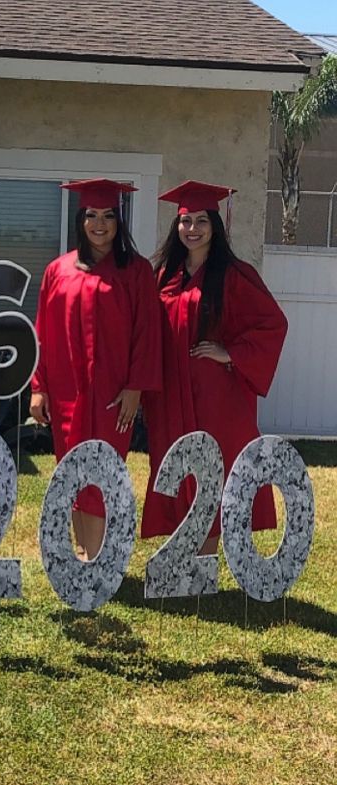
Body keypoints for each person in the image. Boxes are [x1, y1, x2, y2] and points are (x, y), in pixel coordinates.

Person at [140, 181, 288, 550]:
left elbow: (272, 323)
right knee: (172, 466)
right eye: (186, 221)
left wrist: (231, 353)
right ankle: (180, 550)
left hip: (217, 398)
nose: (193, 229)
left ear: (215, 226)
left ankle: (204, 557)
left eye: (201, 221)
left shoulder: (234, 274)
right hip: (170, 397)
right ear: (176, 227)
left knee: (214, 468)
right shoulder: (163, 276)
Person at [29, 179, 163, 560]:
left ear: (119, 221)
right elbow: (43, 331)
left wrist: (136, 387)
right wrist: (39, 387)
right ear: (80, 219)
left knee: (104, 470)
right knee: (70, 471)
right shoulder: (58, 270)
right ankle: (83, 554)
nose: (100, 224)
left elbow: (147, 332)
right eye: (92, 215)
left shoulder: (136, 271)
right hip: (67, 392)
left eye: (108, 216)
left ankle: (99, 558)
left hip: (112, 393)